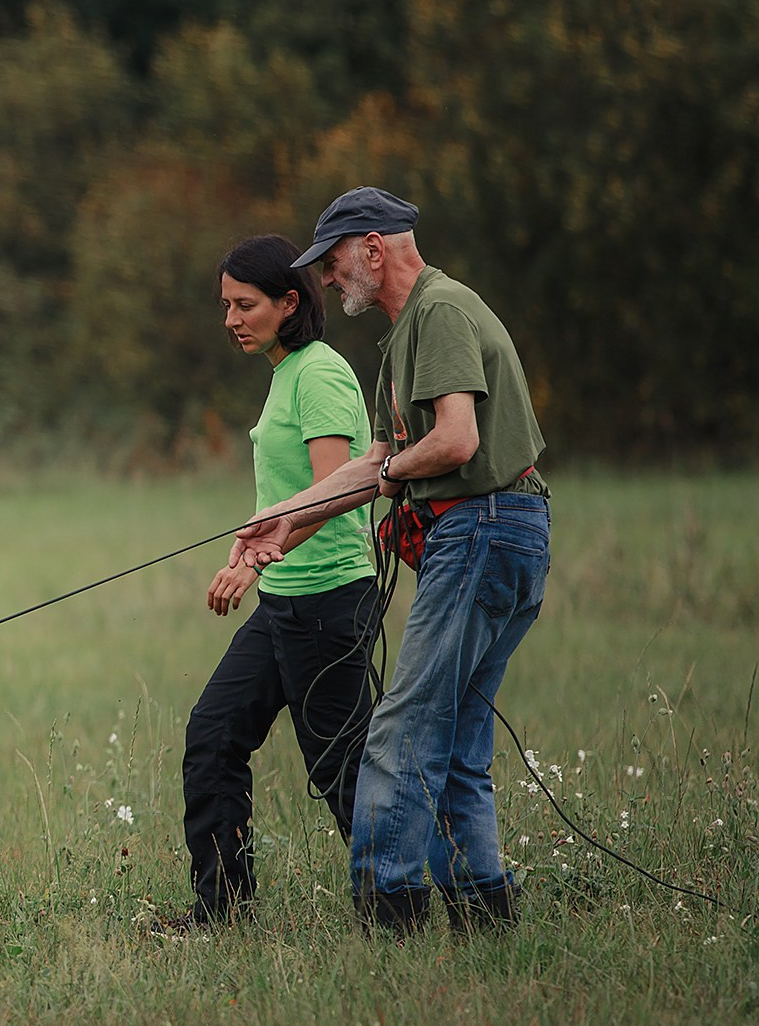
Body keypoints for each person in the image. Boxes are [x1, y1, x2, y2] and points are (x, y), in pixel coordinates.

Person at [234, 187, 548, 937]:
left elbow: (455, 442)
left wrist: (392, 475)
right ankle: (484, 917)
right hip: (494, 528)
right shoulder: (401, 336)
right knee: (460, 740)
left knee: (401, 727)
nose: (328, 279)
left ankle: (391, 913)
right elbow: (375, 460)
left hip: (485, 524)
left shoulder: (438, 311)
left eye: (334, 262)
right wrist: (278, 523)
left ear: (373, 248)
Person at [158, 235, 379, 933]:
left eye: (244, 304)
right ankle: (222, 912)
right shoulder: (285, 372)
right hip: (285, 601)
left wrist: (253, 558)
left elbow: (331, 490)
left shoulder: (320, 374)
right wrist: (256, 549)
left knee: (343, 768)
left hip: (330, 600)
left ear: (290, 302)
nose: (230, 318)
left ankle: (399, 907)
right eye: (225, 305)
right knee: (214, 734)